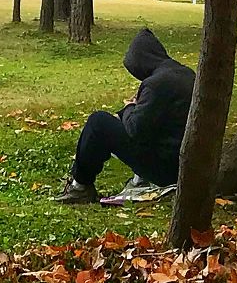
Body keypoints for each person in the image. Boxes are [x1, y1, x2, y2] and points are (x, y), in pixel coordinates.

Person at [59, 27, 195, 204]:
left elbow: (134, 129)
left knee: (98, 122)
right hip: (185, 160)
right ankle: (138, 179)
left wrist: (129, 107)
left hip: (167, 169)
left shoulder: (156, 84)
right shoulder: (185, 73)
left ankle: (80, 186)